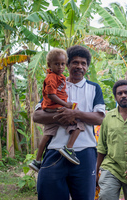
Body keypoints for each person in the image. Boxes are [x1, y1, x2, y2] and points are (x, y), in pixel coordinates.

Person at [33, 45, 105, 200]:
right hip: (55, 150)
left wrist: (75, 113)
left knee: (84, 196)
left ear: (87, 67)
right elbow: (37, 116)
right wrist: (61, 116)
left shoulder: (94, 88)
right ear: (67, 65)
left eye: (83, 63)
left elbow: (100, 118)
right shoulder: (55, 84)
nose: (79, 66)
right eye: (75, 62)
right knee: (48, 194)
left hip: (86, 153)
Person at [29, 48, 84, 172]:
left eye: (63, 64)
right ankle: (68, 148)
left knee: (48, 134)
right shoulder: (51, 78)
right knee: (79, 122)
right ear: (49, 65)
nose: (60, 66)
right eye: (57, 64)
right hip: (54, 107)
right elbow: (51, 95)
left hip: (51, 109)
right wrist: (66, 105)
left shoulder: (60, 77)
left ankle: (37, 161)